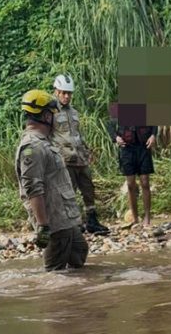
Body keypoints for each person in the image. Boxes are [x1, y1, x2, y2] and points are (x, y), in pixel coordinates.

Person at [16, 90, 88, 271]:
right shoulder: (32, 147)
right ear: (47, 116)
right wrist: (43, 226)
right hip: (54, 221)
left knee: (79, 251)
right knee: (55, 273)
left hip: (65, 216)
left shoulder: (44, 142)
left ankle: (76, 296)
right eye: (55, 115)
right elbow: (33, 188)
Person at [49, 74, 110, 235]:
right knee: (69, 192)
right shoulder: (50, 112)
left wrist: (87, 150)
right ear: (56, 91)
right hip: (64, 159)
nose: (67, 96)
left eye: (69, 93)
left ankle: (92, 220)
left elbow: (78, 134)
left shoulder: (74, 112)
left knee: (88, 188)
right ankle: (73, 223)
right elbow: (47, 136)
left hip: (81, 158)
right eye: (64, 93)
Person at [109, 119, 156, 227]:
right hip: (127, 148)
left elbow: (154, 124)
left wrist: (153, 135)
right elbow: (110, 125)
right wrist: (116, 137)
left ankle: (147, 217)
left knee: (145, 182)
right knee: (130, 184)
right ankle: (135, 218)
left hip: (143, 147)